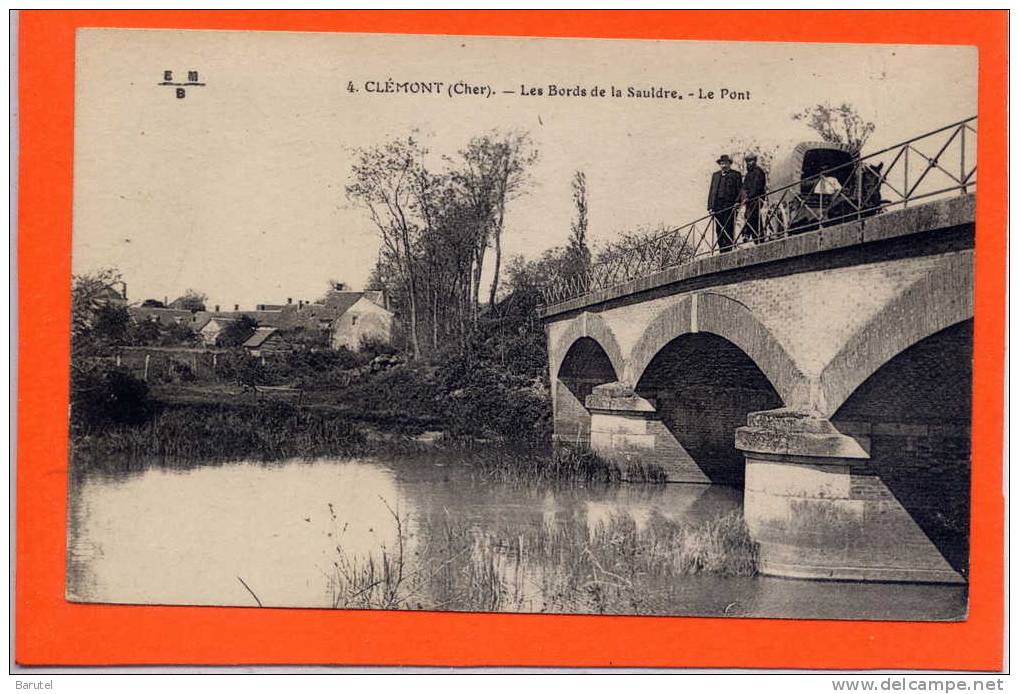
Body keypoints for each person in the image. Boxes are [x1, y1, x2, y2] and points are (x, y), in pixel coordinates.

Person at [707, 154, 742, 252]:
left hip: (729, 205)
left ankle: (728, 249)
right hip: (718, 206)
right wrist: (710, 207)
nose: (723, 165)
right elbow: (712, 191)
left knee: (729, 227)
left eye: (725, 163)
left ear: (729, 164)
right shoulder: (715, 175)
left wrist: (737, 202)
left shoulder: (735, 175)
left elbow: (740, 190)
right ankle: (721, 249)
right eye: (722, 163)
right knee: (719, 228)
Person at [741, 153, 767, 243]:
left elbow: (757, 186)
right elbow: (744, 187)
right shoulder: (748, 174)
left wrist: (749, 196)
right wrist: (743, 197)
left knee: (752, 216)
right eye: (747, 161)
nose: (749, 163)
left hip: (757, 198)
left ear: (755, 161)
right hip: (750, 200)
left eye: (751, 161)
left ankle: (746, 233)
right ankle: (757, 238)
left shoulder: (758, 172)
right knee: (751, 217)